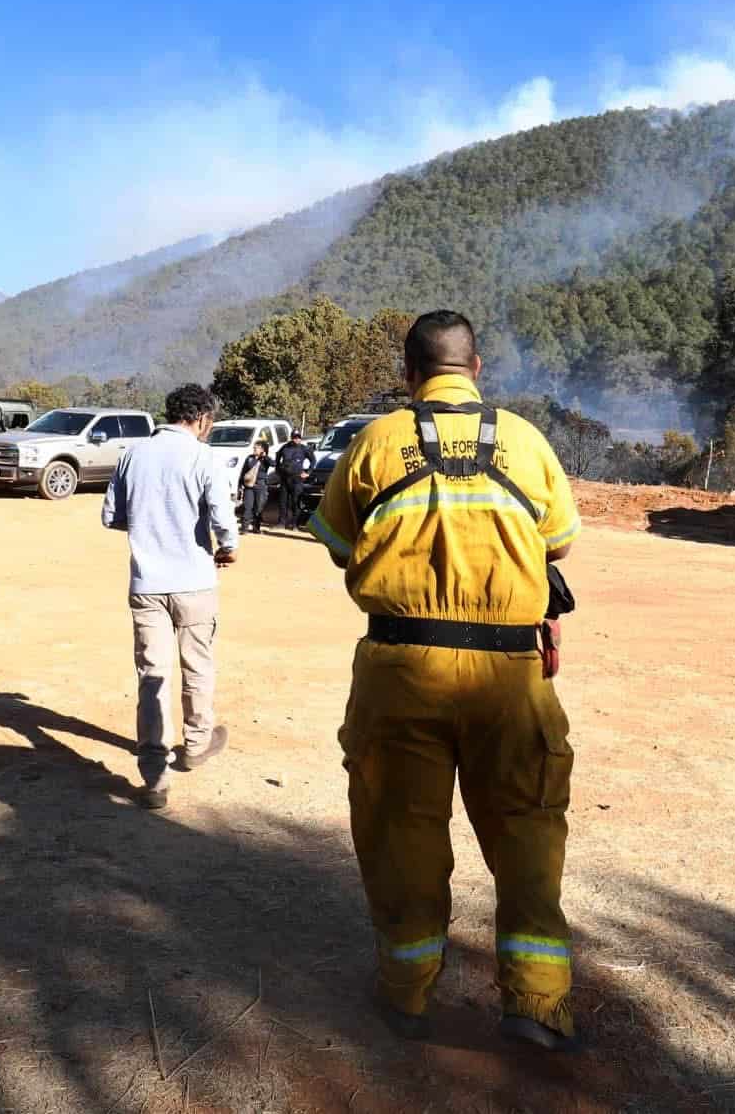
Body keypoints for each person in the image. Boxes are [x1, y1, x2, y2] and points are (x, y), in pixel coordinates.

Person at [306, 311, 583, 1053]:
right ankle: (535, 1003)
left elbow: (336, 544)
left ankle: (407, 992)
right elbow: (557, 543)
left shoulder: (374, 440)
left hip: (401, 670)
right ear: (478, 368)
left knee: (401, 830)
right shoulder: (526, 442)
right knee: (526, 827)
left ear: (409, 374)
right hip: (511, 675)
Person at [100, 384, 239, 811]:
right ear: (201, 419)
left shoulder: (132, 455)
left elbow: (112, 516)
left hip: (147, 584)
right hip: (194, 581)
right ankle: (196, 743)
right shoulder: (203, 457)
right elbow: (222, 516)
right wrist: (227, 546)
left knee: (152, 675)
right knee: (197, 664)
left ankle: (155, 777)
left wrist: (150, 526)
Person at [274, 432, 315, 529]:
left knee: (295, 502)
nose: (296, 439)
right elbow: (277, 457)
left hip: (297, 479)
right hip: (285, 478)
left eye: (298, 438)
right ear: (291, 438)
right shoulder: (285, 447)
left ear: (300, 439)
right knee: (283, 502)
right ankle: (281, 523)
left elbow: (313, 460)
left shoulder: (304, 449)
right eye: (294, 437)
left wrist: (308, 472)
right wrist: (278, 469)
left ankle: (295, 523)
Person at [236, 439, 271, 534]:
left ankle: (256, 527)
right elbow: (243, 471)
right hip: (249, 486)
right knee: (247, 506)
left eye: (257, 448)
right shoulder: (249, 458)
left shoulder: (265, 460)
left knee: (258, 507)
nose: (254, 449)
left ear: (262, 449)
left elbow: (273, 463)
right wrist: (239, 485)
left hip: (260, 485)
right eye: (254, 447)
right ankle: (244, 528)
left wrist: (265, 456)